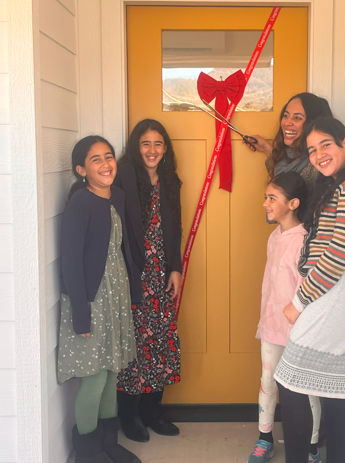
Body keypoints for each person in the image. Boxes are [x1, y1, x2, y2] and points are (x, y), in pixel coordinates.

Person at [274, 117, 345, 463]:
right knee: (335, 391)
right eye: (312, 150)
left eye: (326, 145)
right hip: (338, 292)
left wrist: (297, 302)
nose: (319, 154)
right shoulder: (341, 182)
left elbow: (337, 256)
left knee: (291, 383)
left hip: (341, 292)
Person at [57, 136, 141, 463]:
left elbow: (123, 248)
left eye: (108, 156)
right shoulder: (81, 203)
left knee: (111, 372)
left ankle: (108, 442)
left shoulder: (116, 196)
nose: (106, 164)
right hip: (90, 300)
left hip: (115, 296)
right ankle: (88, 450)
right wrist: (81, 314)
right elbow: (71, 262)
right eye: (96, 160)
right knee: (93, 378)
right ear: (81, 170)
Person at [115, 119, 183, 442]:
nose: (152, 150)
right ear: (135, 147)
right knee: (134, 345)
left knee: (159, 343)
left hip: (161, 276)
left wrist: (175, 268)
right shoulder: (125, 175)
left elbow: (176, 227)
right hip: (134, 273)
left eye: (158, 143)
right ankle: (129, 415)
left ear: (165, 148)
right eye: (145, 143)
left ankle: (152, 411)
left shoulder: (169, 180)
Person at [248, 172, 322, 463]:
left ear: (293, 203)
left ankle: (311, 446)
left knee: (307, 390)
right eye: (265, 197)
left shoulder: (305, 240)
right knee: (268, 381)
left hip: (299, 330)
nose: (265, 204)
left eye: (272, 198)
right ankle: (264, 438)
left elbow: (309, 288)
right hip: (271, 326)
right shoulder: (274, 237)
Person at [247, 92, 332, 193]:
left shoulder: (318, 163)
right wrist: (266, 148)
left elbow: (287, 190)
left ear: (313, 123)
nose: (287, 122)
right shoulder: (290, 155)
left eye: (297, 118)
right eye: (286, 115)